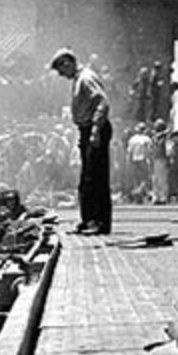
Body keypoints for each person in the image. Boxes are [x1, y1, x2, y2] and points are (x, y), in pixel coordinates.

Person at [49, 47, 112, 235]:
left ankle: (99, 223)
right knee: (87, 178)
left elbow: (102, 102)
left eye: (61, 70)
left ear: (67, 63)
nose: (61, 74)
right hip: (88, 129)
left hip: (94, 128)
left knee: (96, 178)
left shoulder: (86, 78)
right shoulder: (79, 79)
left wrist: (95, 130)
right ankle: (88, 220)